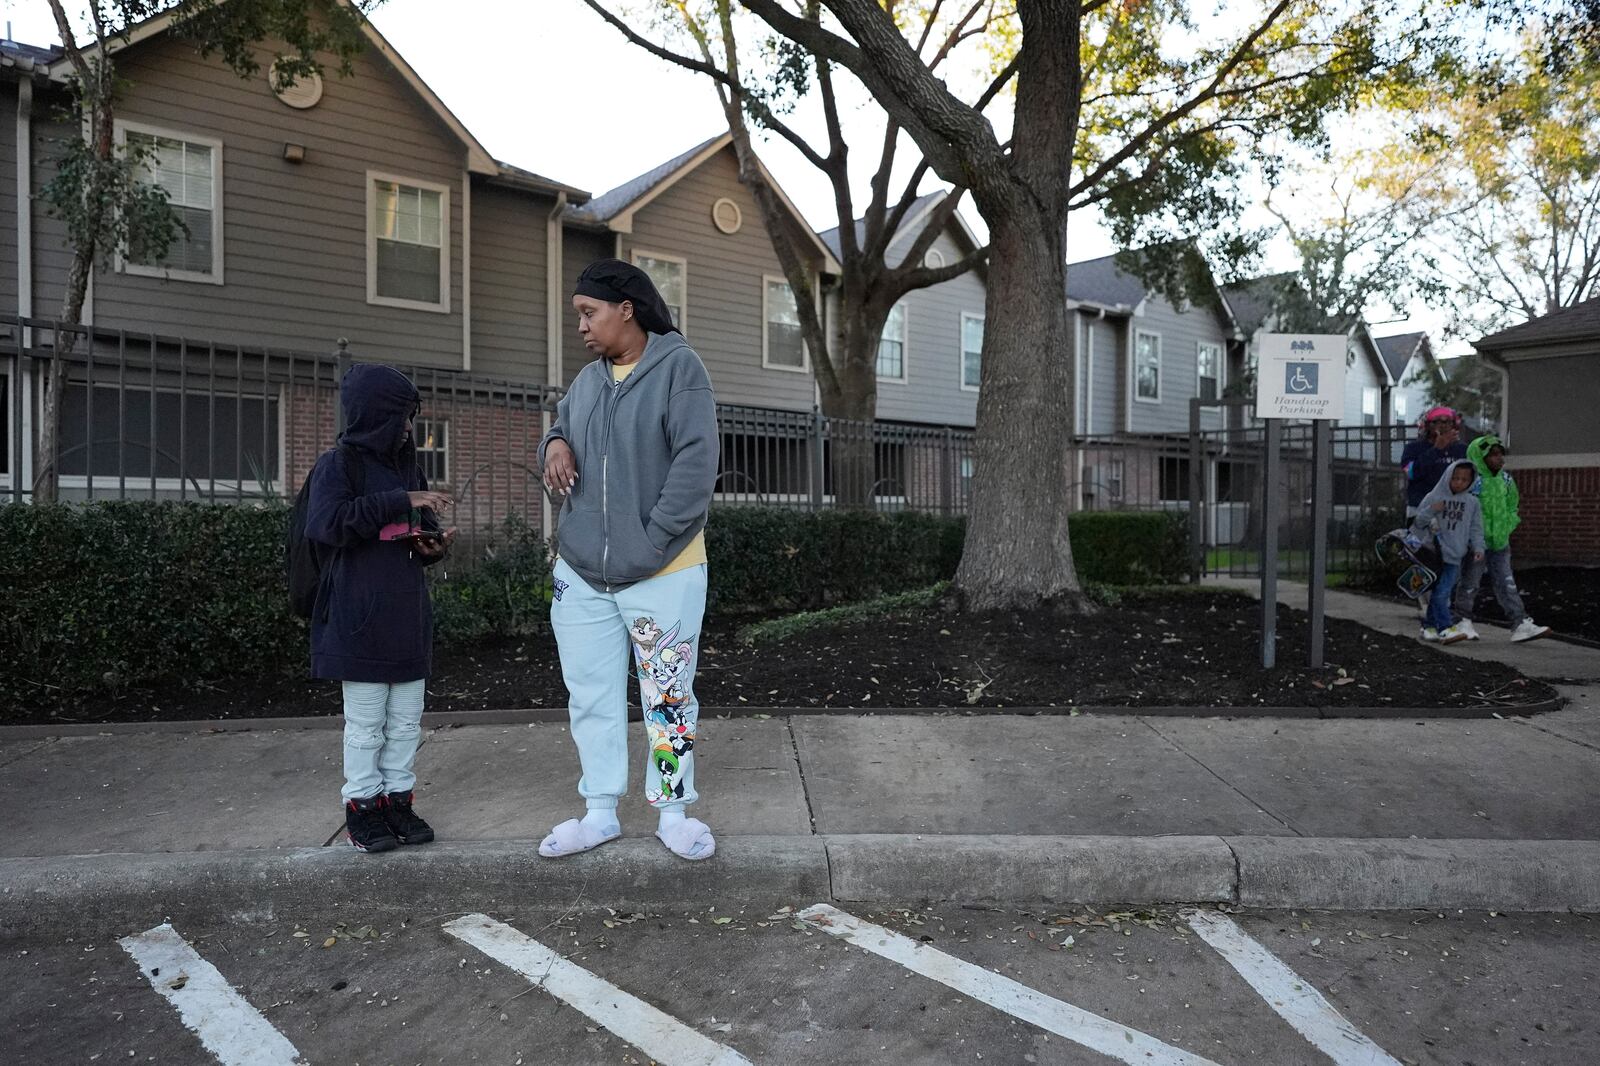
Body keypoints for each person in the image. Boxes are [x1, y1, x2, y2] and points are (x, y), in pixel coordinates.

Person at [537, 258, 719, 862]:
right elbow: (560, 428)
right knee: (589, 695)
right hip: (584, 575)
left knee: (666, 697)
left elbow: (695, 467)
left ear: (627, 309)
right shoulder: (588, 382)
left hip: (663, 572)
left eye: (590, 313)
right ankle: (599, 813)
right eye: (578, 316)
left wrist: (649, 542)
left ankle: (672, 813)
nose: (582, 327)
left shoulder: (679, 370)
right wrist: (555, 444)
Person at [307, 364, 455, 853]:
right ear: (374, 415)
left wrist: (433, 545)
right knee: (367, 725)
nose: (409, 428)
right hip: (359, 617)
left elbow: (420, 524)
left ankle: (397, 800)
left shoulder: (408, 466)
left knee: (408, 721)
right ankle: (363, 808)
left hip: (407, 617)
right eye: (401, 417)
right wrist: (400, 499)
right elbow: (328, 523)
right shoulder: (339, 465)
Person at [1452, 435, 1551, 643]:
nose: (1499, 459)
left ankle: (1519, 623)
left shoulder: (1506, 480)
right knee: (1470, 582)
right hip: (1476, 543)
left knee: (1507, 582)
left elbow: (1513, 504)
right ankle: (1462, 621)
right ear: (1480, 457)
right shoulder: (1471, 482)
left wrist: (1507, 525)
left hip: (1500, 542)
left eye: (1500, 455)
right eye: (1493, 455)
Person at [1409, 459, 1484, 645]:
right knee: (1441, 592)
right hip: (1434, 555)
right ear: (1448, 476)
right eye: (1455, 478)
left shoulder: (1472, 503)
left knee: (1440, 592)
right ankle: (1445, 627)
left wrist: (1478, 547)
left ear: (1471, 481)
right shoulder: (1434, 497)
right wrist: (1433, 510)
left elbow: (1476, 527)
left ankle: (1429, 627)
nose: (1459, 482)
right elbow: (1418, 522)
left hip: (1456, 555)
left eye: (1464, 479)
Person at [1400, 406, 1467, 519]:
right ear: (1427, 425)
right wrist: (1436, 450)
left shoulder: (1462, 450)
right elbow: (1410, 473)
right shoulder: (1413, 448)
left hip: (1453, 510)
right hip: (1420, 507)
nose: (1442, 425)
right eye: (1436, 421)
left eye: (1447, 421)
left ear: (1453, 425)